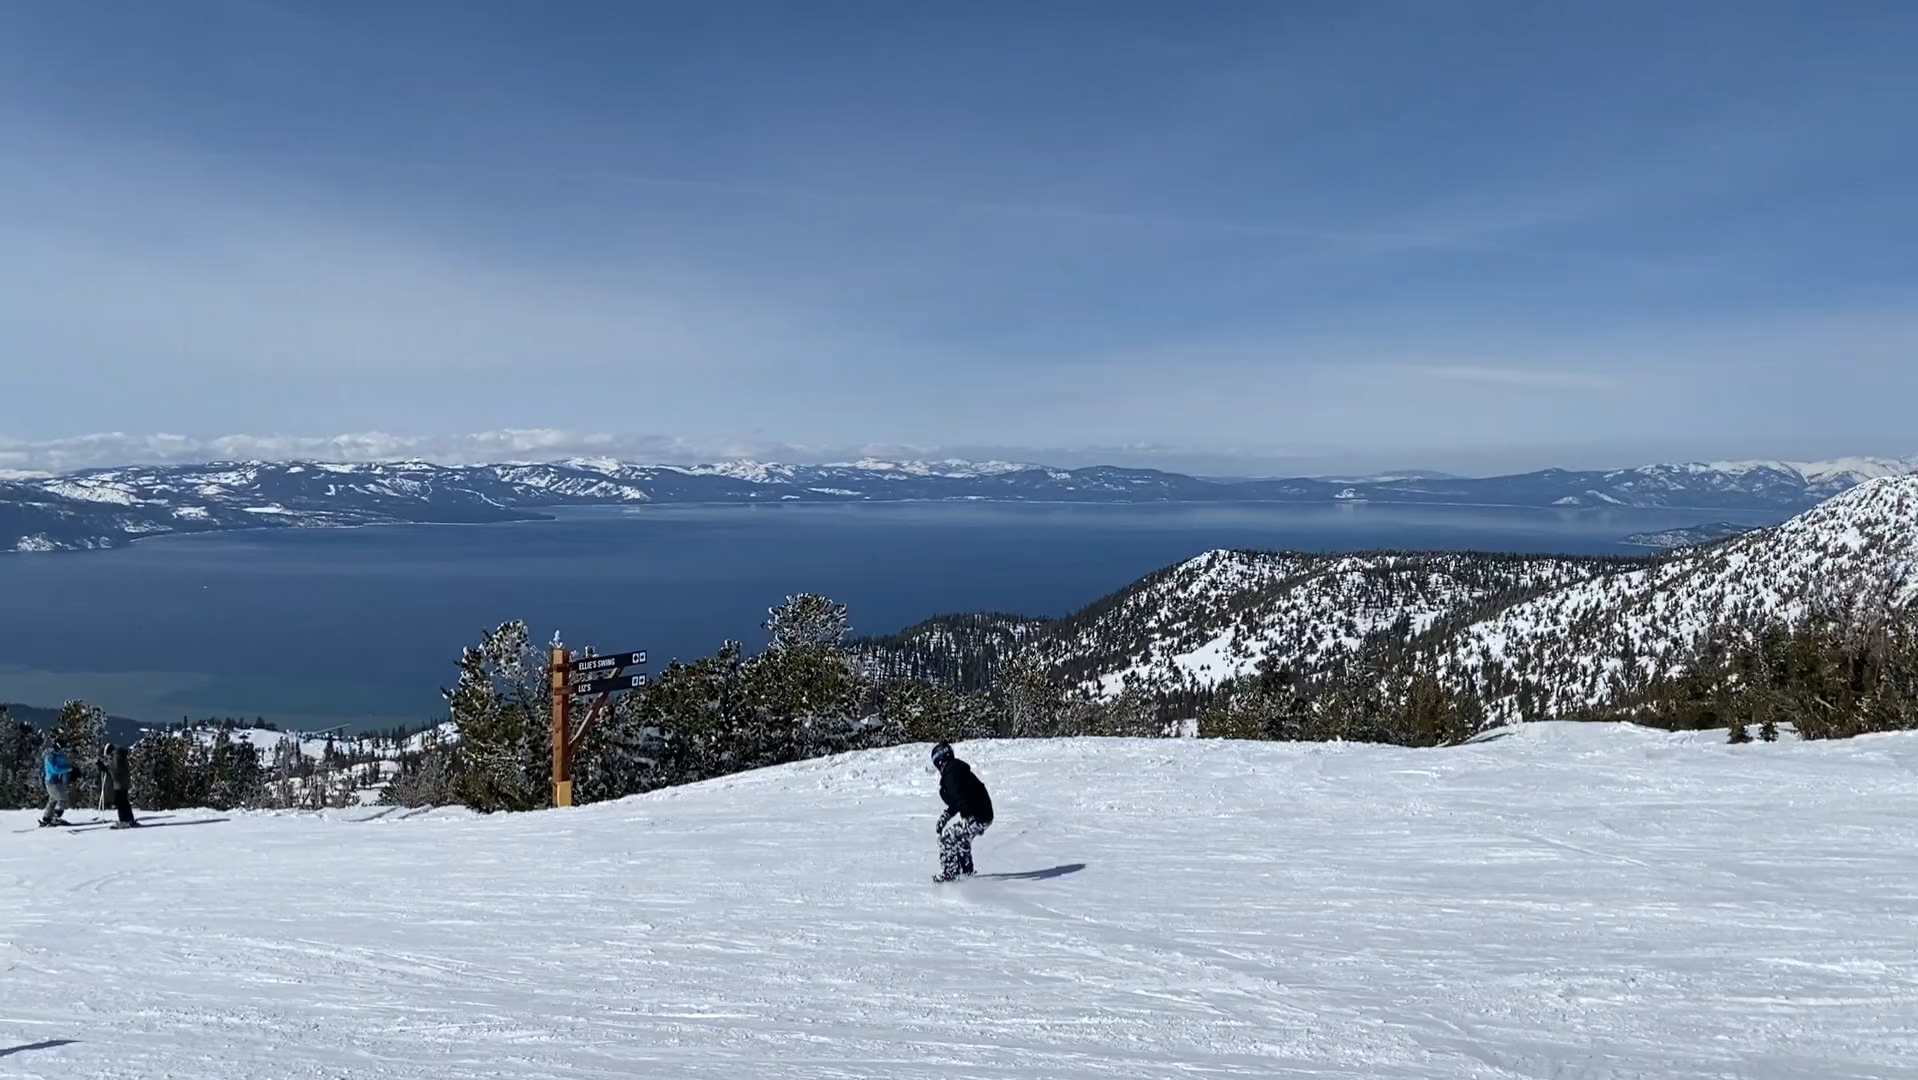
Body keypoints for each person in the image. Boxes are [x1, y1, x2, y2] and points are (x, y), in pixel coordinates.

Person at [930, 741, 992, 882]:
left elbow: (960, 798)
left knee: (947, 838)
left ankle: (950, 873)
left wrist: (968, 816)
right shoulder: (957, 770)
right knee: (960, 838)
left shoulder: (951, 774)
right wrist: (946, 816)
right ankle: (966, 872)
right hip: (984, 815)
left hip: (977, 816)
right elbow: (958, 800)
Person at [101, 742, 138, 828]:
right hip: (123, 781)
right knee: (124, 801)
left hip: (119, 783)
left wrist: (106, 769)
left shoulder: (116, 756)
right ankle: (129, 819)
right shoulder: (120, 754)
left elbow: (115, 771)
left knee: (120, 801)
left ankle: (124, 820)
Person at [39, 745, 74, 827]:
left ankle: (47, 817)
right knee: (62, 798)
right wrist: (68, 769)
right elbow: (54, 769)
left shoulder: (57, 755)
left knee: (53, 799)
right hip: (51, 782)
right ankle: (55, 817)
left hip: (55, 782)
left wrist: (69, 769)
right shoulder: (50, 756)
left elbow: (63, 765)